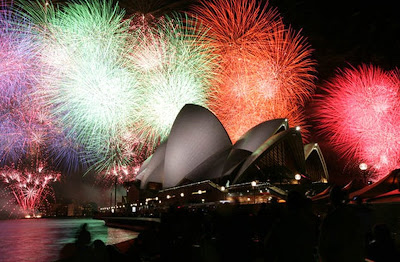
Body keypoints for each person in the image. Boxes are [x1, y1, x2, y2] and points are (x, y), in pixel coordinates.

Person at [319, 186, 365, 262]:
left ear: (331, 199)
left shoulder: (331, 218)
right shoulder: (352, 215)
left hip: (337, 256)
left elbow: (323, 242)